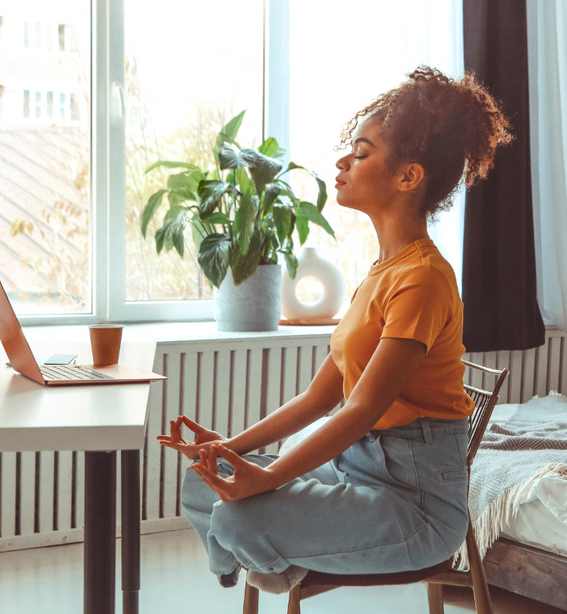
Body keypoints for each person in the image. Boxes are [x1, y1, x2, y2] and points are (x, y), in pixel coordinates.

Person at [158, 65, 512, 594]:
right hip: (355, 473)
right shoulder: (380, 274)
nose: (343, 161)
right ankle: (275, 557)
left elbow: (361, 409)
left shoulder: (423, 279)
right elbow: (317, 398)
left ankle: (273, 557)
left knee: (234, 519)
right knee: (201, 485)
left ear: (408, 176)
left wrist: (270, 478)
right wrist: (233, 447)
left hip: (414, 506)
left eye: (363, 152)